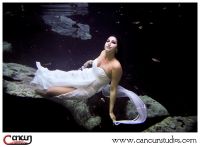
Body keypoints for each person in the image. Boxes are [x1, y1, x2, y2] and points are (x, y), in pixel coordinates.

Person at [31, 36, 147, 125]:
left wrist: (110, 111)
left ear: (117, 48)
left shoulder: (116, 67)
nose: (109, 43)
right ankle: (36, 91)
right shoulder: (103, 52)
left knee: (51, 91)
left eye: (113, 42)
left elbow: (113, 89)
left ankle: (38, 93)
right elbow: (95, 64)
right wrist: (90, 62)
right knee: (53, 76)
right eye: (108, 40)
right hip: (81, 76)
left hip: (87, 88)